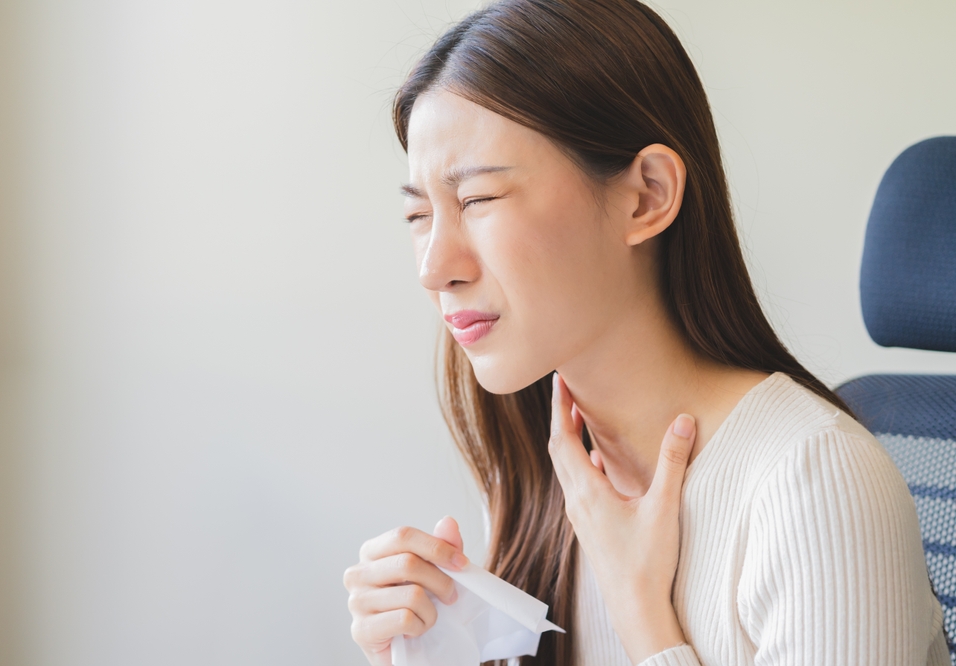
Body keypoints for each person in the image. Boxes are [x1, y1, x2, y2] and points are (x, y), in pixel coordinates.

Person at [343, 1, 948, 664]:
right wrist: (431, 650)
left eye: (478, 200)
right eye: (418, 215)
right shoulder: (546, 470)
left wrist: (644, 619)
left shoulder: (815, 483)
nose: (434, 268)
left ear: (647, 196)